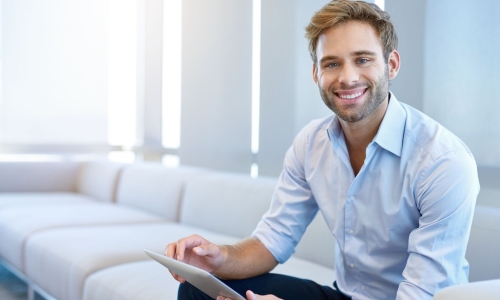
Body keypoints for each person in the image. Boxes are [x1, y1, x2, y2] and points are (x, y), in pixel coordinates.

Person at [165, 0, 480, 299]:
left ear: (391, 65)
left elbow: (418, 295)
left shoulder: (442, 162)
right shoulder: (310, 144)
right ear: (317, 74)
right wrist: (219, 259)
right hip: (347, 294)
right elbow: (271, 241)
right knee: (200, 288)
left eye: (363, 59)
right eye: (332, 63)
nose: (347, 77)